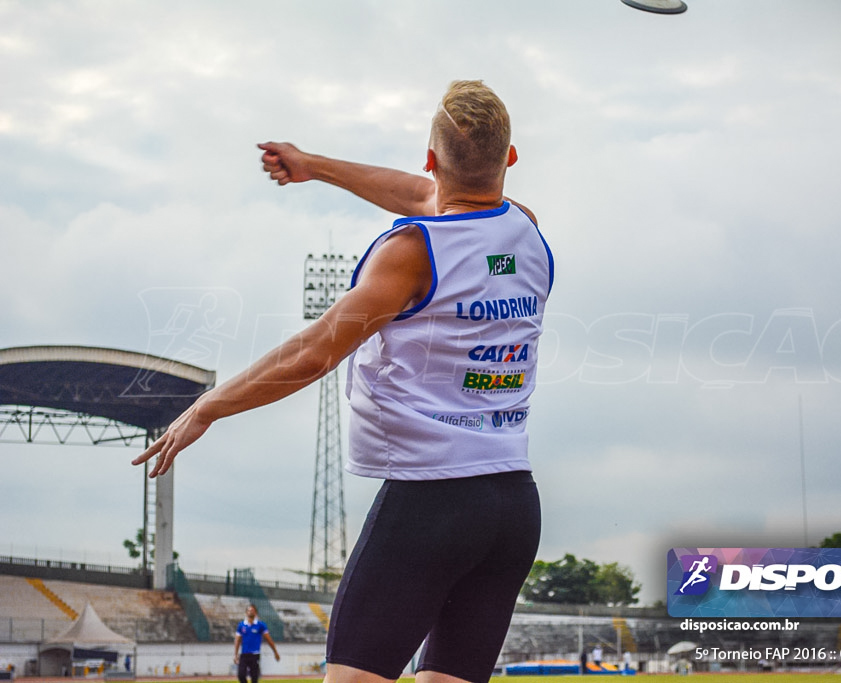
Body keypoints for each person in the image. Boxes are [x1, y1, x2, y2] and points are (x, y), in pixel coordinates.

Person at [133, 80, 553, 683]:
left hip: (433, 501)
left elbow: (315, 352)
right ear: (510, 157)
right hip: (513, 505)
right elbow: (424, 194)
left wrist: (209, 406)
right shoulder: (526, 230)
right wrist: (312, 166)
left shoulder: (413, 251)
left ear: (431, 159)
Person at [234, 604, 280, 683]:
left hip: (255, 655)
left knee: (254, 678)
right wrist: (235, 654)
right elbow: (237, 640)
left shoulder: (260, 625)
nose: (250, 612)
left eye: (252, 610)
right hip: (244, 654)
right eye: (249, 610)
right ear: (246, 612)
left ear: (255, 613)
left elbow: (269, 639)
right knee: (241, 675)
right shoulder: (241, 625)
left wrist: (275, 652)